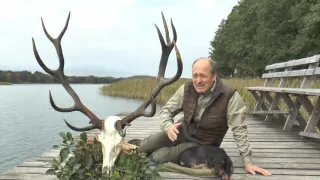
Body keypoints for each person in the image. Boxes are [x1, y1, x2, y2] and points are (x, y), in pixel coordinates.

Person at [137, 57, 272, 176]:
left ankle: (161, 153)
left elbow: (239, 130)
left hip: (201, 144)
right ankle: (141, 147)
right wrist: (168, 126)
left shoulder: (230, 95)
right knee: (144, 147)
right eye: (195, 75)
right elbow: (166, 110)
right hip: (180, 131)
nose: (198, 81)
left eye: (203, 76)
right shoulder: (186, 88)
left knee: (158, 157)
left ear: (214, 76)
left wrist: (247, 162)